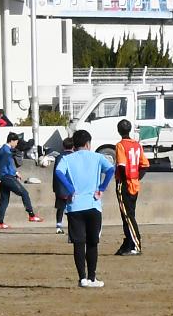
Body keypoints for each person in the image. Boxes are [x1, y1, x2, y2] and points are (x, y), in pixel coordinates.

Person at [54, 130, 114, 287]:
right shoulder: (97, 157)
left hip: (74, 205)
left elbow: (58, 172)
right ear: (88, 143)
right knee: (92, 243)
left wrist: (70, 188)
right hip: (93, 204)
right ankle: (92, 278)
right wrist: (101, 187)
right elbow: (111, 170)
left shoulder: (68, 159)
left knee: (78, 243)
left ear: (74, 144)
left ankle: (82, 278)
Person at [113, 119, 146, 256]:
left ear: (119, 130)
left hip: (124, 183)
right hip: (134, 183)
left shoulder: (121, 145)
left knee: (128, 215)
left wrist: (125, 181)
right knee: (127, 214)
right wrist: (136, 178)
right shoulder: (137, 145)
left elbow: (121, 165)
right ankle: (128, 243)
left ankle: (136, 244)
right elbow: (144, 166)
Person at [0, 132, 39, 229]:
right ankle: (31, 215)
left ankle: (0, 222)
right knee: (24, 193)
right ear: (11, 141)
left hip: (4, 177)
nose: (16, 144)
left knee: (4, 200)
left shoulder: (3, 150)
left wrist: (15, 172)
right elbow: (2, 165)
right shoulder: (6, 152)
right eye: (16, 142)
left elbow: (5, 165)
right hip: (7, 177)